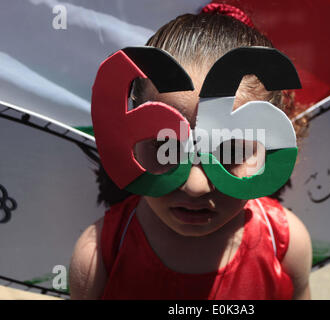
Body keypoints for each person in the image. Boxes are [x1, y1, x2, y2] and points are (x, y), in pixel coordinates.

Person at [69, 3, 312, 300]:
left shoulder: (286, 243)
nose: (195, 186)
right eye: (166, 148)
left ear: (272, 144)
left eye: (231, 152)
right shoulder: (97, 257)